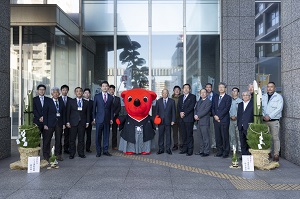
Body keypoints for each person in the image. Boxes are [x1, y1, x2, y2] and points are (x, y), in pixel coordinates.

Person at [66, 87, 90, 159]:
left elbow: (88, 113)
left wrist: (87, 122)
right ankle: (72, 153)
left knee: (81, 139)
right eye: (77, 91)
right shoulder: (71, 101)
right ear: (75, 93)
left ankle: (81, 153)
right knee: (72, 139)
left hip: (82, 122)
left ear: (82, 93)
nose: (79, 92)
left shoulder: (86, 102)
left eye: (80, 91)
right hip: (73, 122)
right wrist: (67, 122)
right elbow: (68, 112)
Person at [42, 87, 65, 161]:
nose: (56, 94)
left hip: (59, 123)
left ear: (59, 94)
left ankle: (58, 154)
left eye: (57, 92)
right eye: (54, 92)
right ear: (52, 93)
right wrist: (45, 124)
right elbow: (44, 113)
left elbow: (63, 113)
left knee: (58, 140)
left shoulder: (61, 101)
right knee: (47, 140)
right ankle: (46, 155)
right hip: (49, 123)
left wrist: (64, 123)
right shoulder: (48, 101)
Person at [262, 82, 283, 162]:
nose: (269, 88)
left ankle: (276, 154)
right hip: (265, 120)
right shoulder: (263, 96)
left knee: (275, 138)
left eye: (271, 87)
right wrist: (264, 115)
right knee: (266, 138)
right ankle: (268, 152)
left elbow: (279, 108)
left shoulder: (278, 97)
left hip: (274, 121)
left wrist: (269, 116)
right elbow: (260, 107)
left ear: (274, 88)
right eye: (268, 87)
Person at [93, 81, 114, 157]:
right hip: (99, 119)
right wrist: (94, 117)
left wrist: (111, 118)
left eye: (106, 86)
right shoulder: (97, 96)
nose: (105, 87)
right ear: (101, 87)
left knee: (106, 135)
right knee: (98, 136)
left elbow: (112, 109)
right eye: (103, 86)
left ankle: (105, 150)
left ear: (108, 87)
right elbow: (94, 108)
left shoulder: (111, 97)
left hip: (107, 119)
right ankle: (98, 151)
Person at [212, 82, 232, 158]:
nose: (221, 88)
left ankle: (226, 152)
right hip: (216, 120)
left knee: (225, 136)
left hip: (224, 120)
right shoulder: (215, 97)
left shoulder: (228, 98)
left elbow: (226, 109)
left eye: (222, 87)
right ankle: (219, 151)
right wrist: (215, 116)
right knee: (218, 136)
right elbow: (212, 108)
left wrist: (219, 117)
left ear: (225, 89)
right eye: (219, 87)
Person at [178, 84, 196, 156]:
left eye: (187, 88)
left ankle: (190, 149)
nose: (185, 89)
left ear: (190, 89)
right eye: (184, 88)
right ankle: (184, 149)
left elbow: (191, 107)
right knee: (183, 135)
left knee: (189, 135)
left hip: (188, 118)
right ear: (182, 89)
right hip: (181, 119)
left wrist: (184, 113)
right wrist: (180, 112)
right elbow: (179, 106)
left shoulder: (193, 97)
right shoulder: (180, 97)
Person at [156, 89, 176, 155]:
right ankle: (161, 149)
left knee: (168, 135)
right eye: (163, 93)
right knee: (160, 135)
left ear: (168, 94)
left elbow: (173, 112)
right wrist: (156, 120)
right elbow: (157, 112)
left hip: (168, 121)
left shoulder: (172, 101)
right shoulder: (158, 101)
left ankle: (168, 149)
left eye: (166, 93)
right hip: (160, 121)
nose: (165, 94)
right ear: (162, 94)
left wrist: (173, 120)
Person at [194, 89, 212, 157]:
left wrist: (198, 115)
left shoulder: (208, 101)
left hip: (204, 122)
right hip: (198, 122)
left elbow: (206, 111)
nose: (203, 94)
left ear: (207, 93)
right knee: (200, 137)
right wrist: (195, 115)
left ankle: (206, 151)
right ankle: (201, 150)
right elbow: (195, 109)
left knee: (205, 137)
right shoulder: (199, 101)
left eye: (204, 92)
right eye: (202, 93)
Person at [237, 91, 253, 157]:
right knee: (242, 141)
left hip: (249, 126)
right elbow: (239, 115)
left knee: (249, 142)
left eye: (247, 95)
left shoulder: (253, 104)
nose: (245, 96)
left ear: (250, 96)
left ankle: (249, 155)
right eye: (244, 95)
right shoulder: (240, 104)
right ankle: (243, 155)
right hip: (241, 126)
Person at [205, 83, 219, 151]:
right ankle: (206, 145)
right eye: (207, 87)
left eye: (209, 87)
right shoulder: (203, 95)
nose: (208, 88)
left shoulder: (216, 95)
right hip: (205, 116)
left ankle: (214, 145)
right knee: (206, 131)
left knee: (213, 131)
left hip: (213, 116)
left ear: (211, 88)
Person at [229, 87, 243, 152]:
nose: (234, 92)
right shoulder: (229, 100)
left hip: (238, 120)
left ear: (238, 93)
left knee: (238, 135)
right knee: (232, 135)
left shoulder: (241, 101)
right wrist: (230, 116)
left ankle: (240, 149)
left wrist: (236, 116)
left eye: (235, 91)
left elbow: (241, 111)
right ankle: (233, 148)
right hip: (230, 120)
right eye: (233, 91)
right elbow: (227, 110)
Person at [59, 84, 71, 154]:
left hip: (68, 120)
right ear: (61, 91)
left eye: (66, 90)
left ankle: (66, 148)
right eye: (63, 90)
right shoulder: (58, 99)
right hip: (59, 120)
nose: (65, 91)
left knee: (67, 135)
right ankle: (59, 149)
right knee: (59, 135)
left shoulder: (70, 100)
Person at [109, 85, 121, 150]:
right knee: (106, 131)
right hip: (107, 117)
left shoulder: (117, 98)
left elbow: (119, 107)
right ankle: (106, 144)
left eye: (112, 89)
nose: (111, 90)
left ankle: (114, 145)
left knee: (114, 131)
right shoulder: (106, 98)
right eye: (110, 89)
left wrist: (114, 113)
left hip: (115, 116)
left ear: (114, 90)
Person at [171, 86, 182, 151]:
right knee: (174, 133)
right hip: (174, 118)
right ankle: (175, 144)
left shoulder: (182, 98)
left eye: (178, 90)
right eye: (175, 90)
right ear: (173, 91)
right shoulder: (171, 99)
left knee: (181, 132)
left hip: (181, 118)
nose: (177, 91)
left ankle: (181, 144)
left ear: (180, 91)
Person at [83, 88, 94, 153]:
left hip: (89, 121)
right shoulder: (81, 101)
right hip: (82, 121)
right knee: (81, 135)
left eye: (88, 93)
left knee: (89, 135)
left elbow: (93, 111)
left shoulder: (92, 102)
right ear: (83, 94)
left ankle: (88, 148)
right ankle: (81, 148)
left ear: (90, 94)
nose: (87, 94)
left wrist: (93, 119)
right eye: (85, 93)